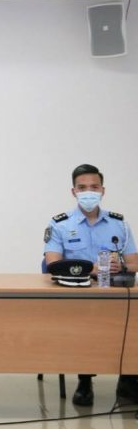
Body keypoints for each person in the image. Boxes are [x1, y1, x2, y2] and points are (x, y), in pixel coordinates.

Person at [44, 164, 138, 406]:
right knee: (84, 322)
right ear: (73, 191)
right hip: (77, 293)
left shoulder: (119, 224)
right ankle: (84, 379)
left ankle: (129, 379)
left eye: (94, 187)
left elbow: (134, 262)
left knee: (133, 319)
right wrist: (91, 268)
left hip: (114, 293)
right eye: (82, 187)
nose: (88, 192)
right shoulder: (60, 224)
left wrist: (122, 266)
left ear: (103, 190)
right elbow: (52, 262)